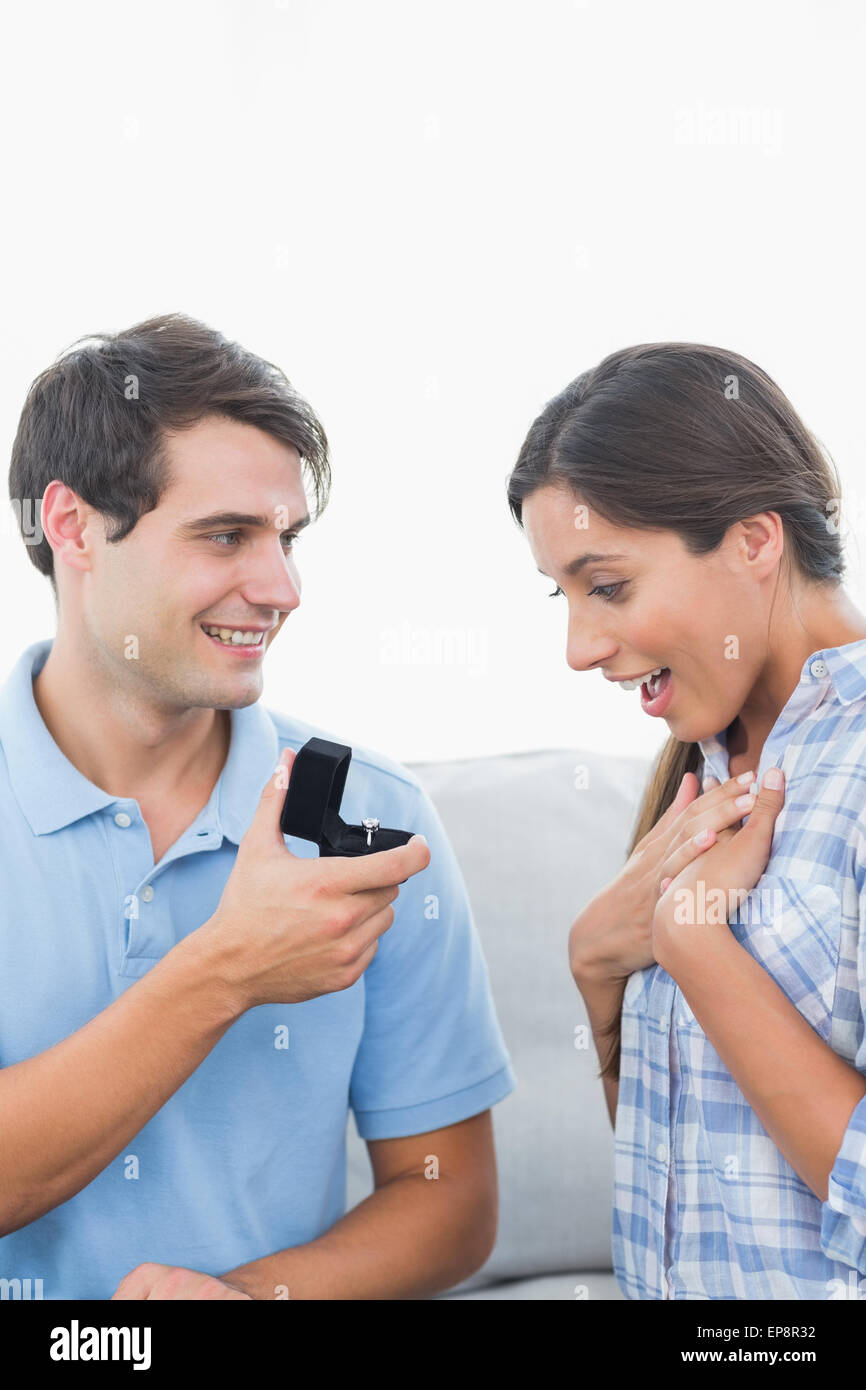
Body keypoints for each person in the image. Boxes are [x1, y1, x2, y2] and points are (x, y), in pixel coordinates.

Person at [0, 312, 515, 1301]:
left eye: (286, 538)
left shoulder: (374, 815)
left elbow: (449, 1198)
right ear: (71, 527)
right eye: (225, 535)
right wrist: (226, 969)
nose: (280, 587)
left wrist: (254, 1299)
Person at [506, 342, 866, 1299]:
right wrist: (597, 968)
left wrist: (694, 947)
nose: (580, 648)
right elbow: (674, 1182)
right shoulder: (700, 778)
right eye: (565, 596)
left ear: (755, 541)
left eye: (609, 586)